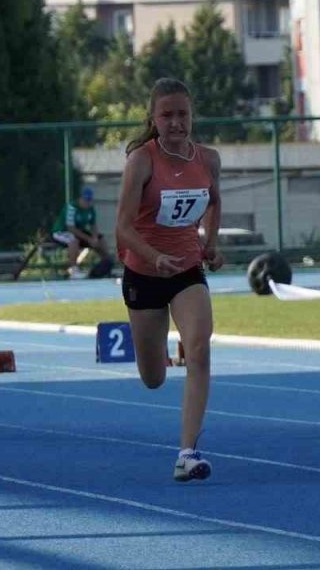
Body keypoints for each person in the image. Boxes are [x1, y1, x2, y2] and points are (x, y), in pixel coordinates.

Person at [114, 77, 223, 482]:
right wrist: (152, 255)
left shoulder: (208, 159)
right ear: (154, 119)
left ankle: (187, 452)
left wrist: (209, 243)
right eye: (168, 115)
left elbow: (214, 202)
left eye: (183, 114)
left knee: (199, 348)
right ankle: (154, 354)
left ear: (192, 115)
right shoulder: (141, 161)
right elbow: (122, 228)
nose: (177, 122)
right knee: (154, 377)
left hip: (186, 270)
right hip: (144, 273)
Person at [51, 185, 111, 278]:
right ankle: (73, 270)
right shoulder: (72, 207)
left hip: (78, 233)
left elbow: (93, 225)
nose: (87, 202)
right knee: (73, 241)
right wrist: (89, 239)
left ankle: (107, 264)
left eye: (89, 200)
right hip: (60, 232)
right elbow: (70, 228)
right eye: (85, 200)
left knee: (101, 239)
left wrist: (94, 238)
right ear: (81, 198)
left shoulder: (90, 209)